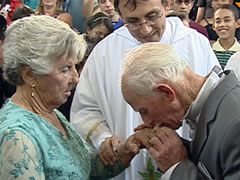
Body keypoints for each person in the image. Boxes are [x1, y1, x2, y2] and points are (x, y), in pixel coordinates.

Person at [70, 0, 220, 179]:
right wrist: (103, 138)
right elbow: (85, 109)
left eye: (152, 17)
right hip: (129, 164)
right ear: (120, 15)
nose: (145, 30)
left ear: (166, 5)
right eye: (133, 21)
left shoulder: (196, 44)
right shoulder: (104, 52)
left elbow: (214, 106)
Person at [0, 15, 140, 179]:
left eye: (75, 67)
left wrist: (124, 151)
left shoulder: (50, 113)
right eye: (65, 69)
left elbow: (82, 168)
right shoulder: (17, 137)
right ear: (29, 74)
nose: (76, 78)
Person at [121, 42, 240, 179]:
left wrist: (176, 166)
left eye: (144, 110)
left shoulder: (235, 124)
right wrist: (171, 147)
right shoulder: (215, 110)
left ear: (167, 92)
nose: (147, 122)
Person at [212, 4, 240, 69]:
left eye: (227, 20)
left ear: (238, 23)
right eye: (218, 21)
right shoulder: (209, 51)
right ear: (213, 26)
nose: (222, 24)